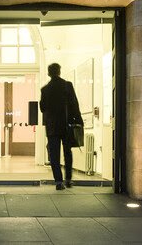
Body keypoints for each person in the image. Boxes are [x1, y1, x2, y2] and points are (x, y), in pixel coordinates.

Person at [39, 62, 81, 190]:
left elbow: (42, 108)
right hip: (66, 125)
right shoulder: (67, 85)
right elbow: (74, 104)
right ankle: (68, 179)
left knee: (54, 155)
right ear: (59, 72)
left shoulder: (45, 89)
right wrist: (79, 120)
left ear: (48, 73)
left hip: (52, 126)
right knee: (67, 153)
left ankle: (58, 181)